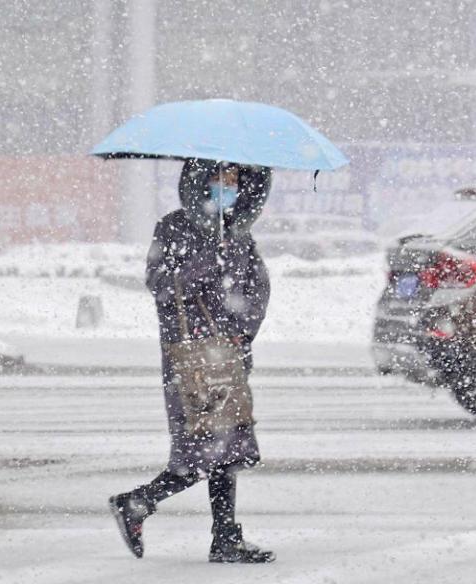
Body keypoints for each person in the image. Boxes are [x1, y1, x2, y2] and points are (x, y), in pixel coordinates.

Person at [109, 159, 274, 563]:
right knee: (201, 450)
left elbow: (257, 287)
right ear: (199, 180)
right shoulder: (174, 227)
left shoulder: (238, 233)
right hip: (191, 359)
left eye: (234, 178)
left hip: (229, 355)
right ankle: (139, 502)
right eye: (219, 177)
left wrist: (243, 330)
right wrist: (203, 264)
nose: (227, 185)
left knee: (228, 449)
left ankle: (223, 536)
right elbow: (161, 284)